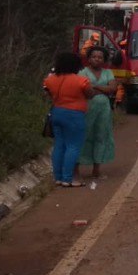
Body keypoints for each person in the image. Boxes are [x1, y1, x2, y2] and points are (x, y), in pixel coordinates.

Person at [43, 52, 96, 188]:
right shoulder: (81, 80)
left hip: (56, 113)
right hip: (74, 115)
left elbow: (48, 92)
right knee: (73, 146)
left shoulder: (50, 79)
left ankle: (58, 178)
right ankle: (68, 178)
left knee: (59, 145)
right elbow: (90, 94)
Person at [78, 46, 117, 179]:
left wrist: (95, 87)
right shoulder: (83, 72)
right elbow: (84, 90)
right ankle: (76, 169)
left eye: (100, 57)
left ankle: (96, 170)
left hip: (104, 110)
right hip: (86, 108)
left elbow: (112, 88)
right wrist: (103, 89)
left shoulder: (108, 72)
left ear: (104, 59)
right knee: (83, 135)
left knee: (101, 136)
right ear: (88, 58)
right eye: (94, 57)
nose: (97, 59)